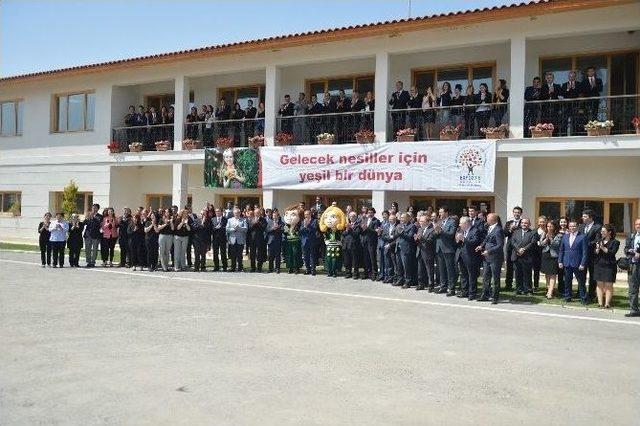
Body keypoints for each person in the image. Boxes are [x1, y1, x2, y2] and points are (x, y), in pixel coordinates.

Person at [558, 220, 588, 304]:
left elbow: (585, 252)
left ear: (577, 227)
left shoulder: (582, 237)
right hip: (567, 262)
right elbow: (561, 250)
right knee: (567, 281)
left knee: (581, 282)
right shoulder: (565, 236)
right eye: (570, 226)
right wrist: (560, 261)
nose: (572, 228)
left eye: (574, 226)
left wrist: (582, 263)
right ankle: (567, 297)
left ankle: (583, 298)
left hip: (578, 263)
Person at [457, 215, 487, 300]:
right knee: (463, 275)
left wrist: (464, 239)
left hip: (471, 257)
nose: (459, 225)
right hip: (462, 256)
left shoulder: (475, 230)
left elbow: (475, 241)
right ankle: (464, 291)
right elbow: (457, 243)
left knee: (472, 276)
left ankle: (472, 293)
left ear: (466, 223)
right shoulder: (461, 230)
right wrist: (457, 240)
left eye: (461, 223)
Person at [478, 213, 504, 304]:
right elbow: (487, 239)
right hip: (486, 257)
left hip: (495, 257)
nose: (486, 219)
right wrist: (481, 246)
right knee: (485, 276)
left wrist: (489, 251)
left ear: (493, 219)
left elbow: (500, 245)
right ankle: (485, 295)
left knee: (495, 278)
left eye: (488, 218)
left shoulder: (498, 230)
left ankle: (495, 297)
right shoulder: (490, 227)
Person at [509, 218, 540, 295]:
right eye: (522, 223)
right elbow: (512, 242)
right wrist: (518, 250)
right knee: (518, 274)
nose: (524, 224)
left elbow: (532, 243)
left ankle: (528, 290)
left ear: (529, 224)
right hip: (517, 256)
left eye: (526, 223)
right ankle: (518, 289)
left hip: (527, 256)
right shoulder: (516, 232)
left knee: (527, 274)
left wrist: (523, 250)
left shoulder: (533, 233)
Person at [593, 224, 619, 309]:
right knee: (599, 284)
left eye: (604, 231)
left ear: (609, 232)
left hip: (609, 265)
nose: (602, 233)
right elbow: (595, 253)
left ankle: (607, 303)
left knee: (608, 285)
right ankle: (600, 303)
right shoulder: (599, 240)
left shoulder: (615, 242)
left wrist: (603, 248)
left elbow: (612, 253)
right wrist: (597, 249)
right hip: (599, 264)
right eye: (601, 231)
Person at [579, 209, 602, 303]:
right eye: (583, 216)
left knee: (592, 276)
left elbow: (597, 240)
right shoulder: (581, 227)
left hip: (592, 256)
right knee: (581, 275)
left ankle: (591, 294)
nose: (583, 218)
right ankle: (581, 293)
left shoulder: (597, 227)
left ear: (590, 217)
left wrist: (585, 244)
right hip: (582, 256)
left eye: (585, 216)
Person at [434, 206, 457, 296]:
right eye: (439, 212)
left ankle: (451, 288)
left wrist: (441, 231)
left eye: (441, 212)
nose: (440, 214)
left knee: (449, 269)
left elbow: (451, 234)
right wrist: (435, 232)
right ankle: (443, 286)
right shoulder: (439, 222)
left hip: (448, 249)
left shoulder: (452, 222)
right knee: (441, 269)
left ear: (446, 213)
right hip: (439, 248)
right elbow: (435, 234)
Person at [319, 206, 346, 278]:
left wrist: (340, 242)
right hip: (329, 247)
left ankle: (335, 271)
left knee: (335, 259)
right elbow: (324, 237)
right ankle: (329, 271)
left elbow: (342, 237)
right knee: (328, 259)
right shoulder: (327, 230)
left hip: (336, 247)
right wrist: (326, 241)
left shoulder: (339, 230)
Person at [539, 220, 562, 299]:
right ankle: (549, 289)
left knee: (553, 274)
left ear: (554, 227)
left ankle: (550, 292)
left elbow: (556, 245)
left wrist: (551, 238)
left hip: (554, 256)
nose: (549, 228)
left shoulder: (559, 235)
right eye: (548, 226)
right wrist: (546, 239)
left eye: (551, 226)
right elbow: (541, 244)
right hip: (545, 255)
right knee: (547, 274)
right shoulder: (544, 233)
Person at [415, 213, 436, 291]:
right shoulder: (420, 229)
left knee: (429, 269)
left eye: (422, 221)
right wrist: (416, 239)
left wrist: (422, 238)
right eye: (420, 221)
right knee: (420, 269)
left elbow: (430, 240)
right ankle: (421, 284)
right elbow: (419, 240)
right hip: (420, 250)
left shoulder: (432, 229)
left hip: (427, 252)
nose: (420, 222)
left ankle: (431, 284)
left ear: (427, 222)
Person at [396, 212, 418, 289]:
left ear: (408, 218)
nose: (401, 219)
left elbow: (410, 237)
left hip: (406, 249)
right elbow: (396, 236)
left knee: (407, 267)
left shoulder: (412, 226)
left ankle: (408, 281)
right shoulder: (399, 225)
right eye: (401, 218)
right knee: (399, 266)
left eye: (403, 217)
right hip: (398, 248)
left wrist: (401, 232)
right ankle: (400, 279)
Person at [624, 218, 640, 317]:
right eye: (636, 224)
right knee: (633, 288)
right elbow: (625, 248)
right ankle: (634, 310)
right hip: (633, 264)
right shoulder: (631, 236)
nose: (638, 226)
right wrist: (629, 251)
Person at [504, 206, 523, 290]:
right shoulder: (509, 223)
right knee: (509, 266)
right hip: (510, 247)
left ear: (521, 213)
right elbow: (504, 234)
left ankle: (519, 285)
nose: (516, 214)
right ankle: (508, 284)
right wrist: (510, 230)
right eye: (515, 212)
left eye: (518, 212)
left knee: (518, 266)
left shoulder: (523, 222)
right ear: (513, 213)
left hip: (519, 247)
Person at [360, 208, 381, 281]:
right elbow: (362, 231)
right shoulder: (365, 220)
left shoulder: (376, 221)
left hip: (372, 242)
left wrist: (367, 228)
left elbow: (375, 231)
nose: (369, 214)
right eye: (368, 212)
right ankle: (366, 273)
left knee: (372, 258)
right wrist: (362, 229)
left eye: (371, 212)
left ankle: (374, 273)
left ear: (374, 213)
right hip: (364, 242)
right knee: (366, 258)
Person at [226, 207, 247, 272]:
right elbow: (227, 229)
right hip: (232, 240)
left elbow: (246, 229)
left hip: (240, 240)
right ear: (233, 213)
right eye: (235, 213)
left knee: (240, 255)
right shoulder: (230, 220)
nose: (236, 214)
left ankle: (240, 267)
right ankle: (233, 267)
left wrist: (239, 228)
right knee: (233, 255)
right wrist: (233, 229)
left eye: (238, 213)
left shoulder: (243, 220)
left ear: (240, 213)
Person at [343, 211, 363, 279]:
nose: (352, 218)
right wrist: (346, 230)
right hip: (346, 245)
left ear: (356, 217)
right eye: (351, 216)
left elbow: (356, 234)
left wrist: (349, 229)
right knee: (347, 261)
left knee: (355, 261)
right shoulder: (347, 224)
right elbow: (343, 234)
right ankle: (348, 273)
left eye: (353, 216)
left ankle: (355, 274)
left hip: (354, 245)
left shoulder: (358, 225)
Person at [83, 203, 103, 268]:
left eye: (95, 208)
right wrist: (87, 218)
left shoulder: (100, 216)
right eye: (93, 207)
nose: (94, 209)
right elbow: (84, 223)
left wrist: (93, 218)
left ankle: (93, 262)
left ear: (97, 209)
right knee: (87, 249)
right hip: (88, 235)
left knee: (95, 250)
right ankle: (88, 262)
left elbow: (98, 224)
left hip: (96, 235)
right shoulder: (88, 214)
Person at [299, 210, 318, 276]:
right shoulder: (302, 222)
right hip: (304, 242)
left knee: (312, 256)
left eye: (307, 214)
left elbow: (314, 230)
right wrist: (304, 226)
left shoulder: (314, 221)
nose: (306, 216)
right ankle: (308, 269)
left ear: (310, 214)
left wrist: (307, 226)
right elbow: (300, 231)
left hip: (312, 241)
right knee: (305, 256)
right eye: (305, 214)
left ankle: (313, 270)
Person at [248, 208, 267, 272]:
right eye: (256, 212)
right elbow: (249, 228)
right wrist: (254, 224)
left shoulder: (263, 219)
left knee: (260, 254)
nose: (257, 214)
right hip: (252, 239)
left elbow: (263, 228)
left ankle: (259, 268)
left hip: (260, 239)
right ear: (254, 213)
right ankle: (252, 268)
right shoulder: (251, 219)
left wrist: (258, 223)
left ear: (260, 213)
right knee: (252, 254)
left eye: (258, 212)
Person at [533, 215, 547, 290]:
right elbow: (533, 242)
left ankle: (548, 286)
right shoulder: (534, 231)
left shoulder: (548, 230)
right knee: (536, 270)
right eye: (540, 222)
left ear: (546, 222)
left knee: (547, 270)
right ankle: (536, 286)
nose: (542, 223)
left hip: (546, 253)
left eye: (543, 222)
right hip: (536, 254)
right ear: (538, 223)